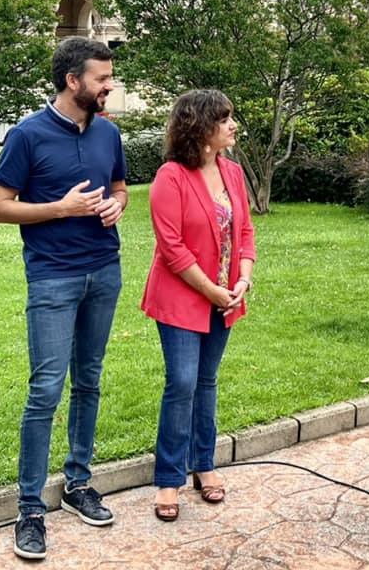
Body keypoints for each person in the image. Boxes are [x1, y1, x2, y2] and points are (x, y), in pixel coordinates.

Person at [0, 37, 128, 560]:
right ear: (73, 81)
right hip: (52, 278)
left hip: (104, 272)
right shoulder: (27, 135)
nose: (108, 85)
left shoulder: (109, 132)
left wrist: (116, 206)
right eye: (101, 78)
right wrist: (61, 208)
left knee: (89, 381)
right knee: (46, 389)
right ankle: (29, 507)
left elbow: (119, 188)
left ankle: (77, 483)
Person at [141, 88, 256, 522]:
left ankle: (204, 464)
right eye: (224, 119)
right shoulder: (170, 176)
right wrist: (210, 290)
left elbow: (244, 233)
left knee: (207, 382)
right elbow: (171, 248)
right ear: (200, 126)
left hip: (225, 296)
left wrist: (243, 277)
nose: (232, 125)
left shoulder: (233, 172)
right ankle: (168, 478)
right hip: (182, 298)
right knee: (183, 382)